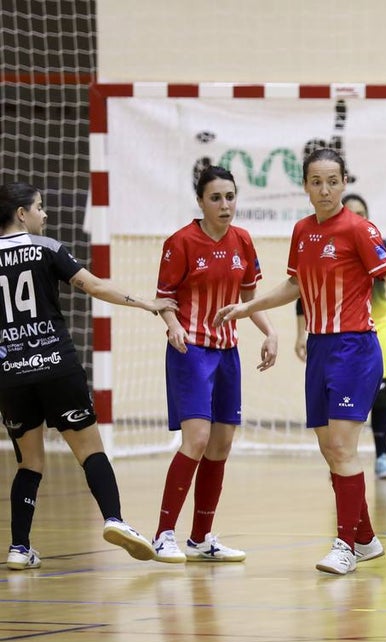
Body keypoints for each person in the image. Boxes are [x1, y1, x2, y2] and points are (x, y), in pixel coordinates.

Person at [214, 148, 386, 576]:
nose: (324, 190)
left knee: (343, 447)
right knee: (330, 449)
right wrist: (246, 309)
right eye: (316, 182)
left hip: (355, 349)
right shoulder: (302, 230)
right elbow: (294, 285)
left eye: (332, 181)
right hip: (320, 351)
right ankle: (365, 538)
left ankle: (344, 545)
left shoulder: (360, 228)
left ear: (344, 183)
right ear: (305, 186)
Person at [0, 181, 175, 569]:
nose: (44, 214)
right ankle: (114, 519)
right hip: (56, 367)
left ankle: (18, 547)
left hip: (10, 375)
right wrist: (148, 303)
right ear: (21, 214)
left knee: (29, 463)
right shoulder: (45, 249)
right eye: (40, 207)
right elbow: (94, 286)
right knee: (90, 450)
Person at [151, 166, 278, 564]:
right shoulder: (181, 242)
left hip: (228, 354)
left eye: (230, 197)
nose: (225, 205)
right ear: (201, 202)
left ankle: (201, 538)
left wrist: (269, 332)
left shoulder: (243, 240)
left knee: (221, 444)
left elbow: (248, 299)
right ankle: (162, 535)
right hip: (191, 352)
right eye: (216, 198)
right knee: (198, 440)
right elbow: (164, 300)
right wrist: (173, 326)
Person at [294, 193, 386, 480]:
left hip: (373, 328)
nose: (355, 217)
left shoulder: (376, 242)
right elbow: (301, 289)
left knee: (382, 394)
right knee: (334, 432)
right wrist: (299, 332)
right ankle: (343, 460)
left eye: (361, 212)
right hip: (328, 334)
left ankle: (381, 455)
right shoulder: (313, 237)